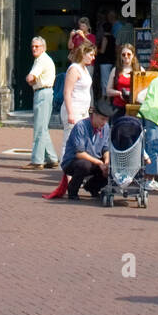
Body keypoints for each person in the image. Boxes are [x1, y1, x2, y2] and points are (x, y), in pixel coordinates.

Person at [44, 43, 96, 199]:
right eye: (91, 54)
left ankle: (76, 175)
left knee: (82, 143)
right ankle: (68, 176)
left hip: (83, 111)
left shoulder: (84, 69)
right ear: (83, 53)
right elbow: (67, 92)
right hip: (73, 110)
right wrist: (71, 112)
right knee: (69, 143)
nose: (93, 57)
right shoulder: (74, 69)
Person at [60, 101, 111, 200]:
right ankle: (72, 190)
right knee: (84, 165)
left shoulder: (105, 127)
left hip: (95, 160)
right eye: (102, 119)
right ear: (94, 115)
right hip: (73, 161)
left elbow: (105, 148)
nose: (104, 122)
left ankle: (92, 187)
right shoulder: (81, 126)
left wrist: (106, 162)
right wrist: (99, 163)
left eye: (106, 120)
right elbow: (80, 154)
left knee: (113, 167)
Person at [25, 36, 58, 169]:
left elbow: (30, 77)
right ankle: (51, 158)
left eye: (37, 46)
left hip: (42, 93)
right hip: (44, 92)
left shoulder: (41, 60)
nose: (34, 48)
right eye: (32, 46)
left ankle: (37, 160)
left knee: (39, 128)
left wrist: (29, 79)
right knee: (42, 127)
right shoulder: (42, 59)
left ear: (43, 48)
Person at [106, 44, 141, 118]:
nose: (126, 56)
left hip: (134, 107)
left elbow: (145, 89)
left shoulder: (139, 70)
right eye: (123, 54)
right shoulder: (115, 70)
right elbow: (108, 91)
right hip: (118, 107)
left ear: (133, 55)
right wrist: (119, 93)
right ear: (120, 56)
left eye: (129, 54)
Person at [96, 15, 116, 98]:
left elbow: (102, 50)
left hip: (105, 61)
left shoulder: (105, 38)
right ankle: (108, 96)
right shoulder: (113, 38)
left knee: (105, 80)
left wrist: (96, 49)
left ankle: (106, 96)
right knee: (109, 78)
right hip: (111, 60)